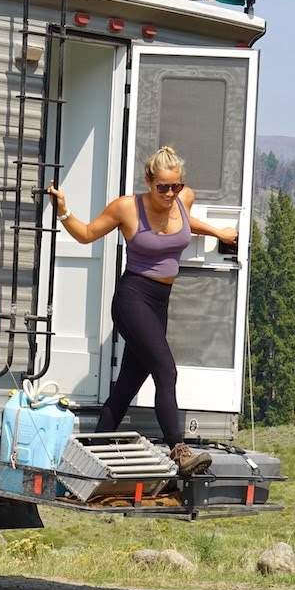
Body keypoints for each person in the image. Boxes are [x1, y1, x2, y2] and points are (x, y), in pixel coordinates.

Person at [45, 146, 237, 476]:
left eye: (175, 186)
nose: (169, 193)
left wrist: (218, 232)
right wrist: (63, 212)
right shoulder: (127, 208)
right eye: (162, 187)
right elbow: (87, 234)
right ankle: (179, 451)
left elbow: (183, 221)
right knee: (166, 370)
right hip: (132, 298)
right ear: (148, 181)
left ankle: (84, 456)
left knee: (129, 384)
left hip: (160, 301)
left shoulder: (182, 198)